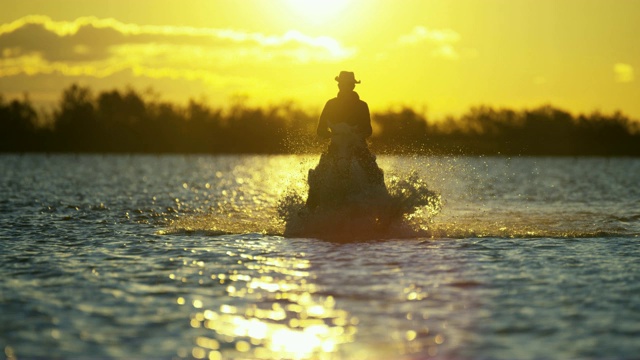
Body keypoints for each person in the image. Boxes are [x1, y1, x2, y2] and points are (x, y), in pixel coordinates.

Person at [306, 71, 386, 210]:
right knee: (318, 176)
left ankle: (384, 206)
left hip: (358, 147)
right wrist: (335, 135)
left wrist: (354, 135)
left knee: (374, 172)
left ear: (353, 86)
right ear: (338, 85)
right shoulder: (330, 104)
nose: (345, 87)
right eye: (342, 84)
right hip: (335, 147)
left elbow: (368, 130)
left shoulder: (362, 105)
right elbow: (320, 130)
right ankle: (309, 208)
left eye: (348, 84)